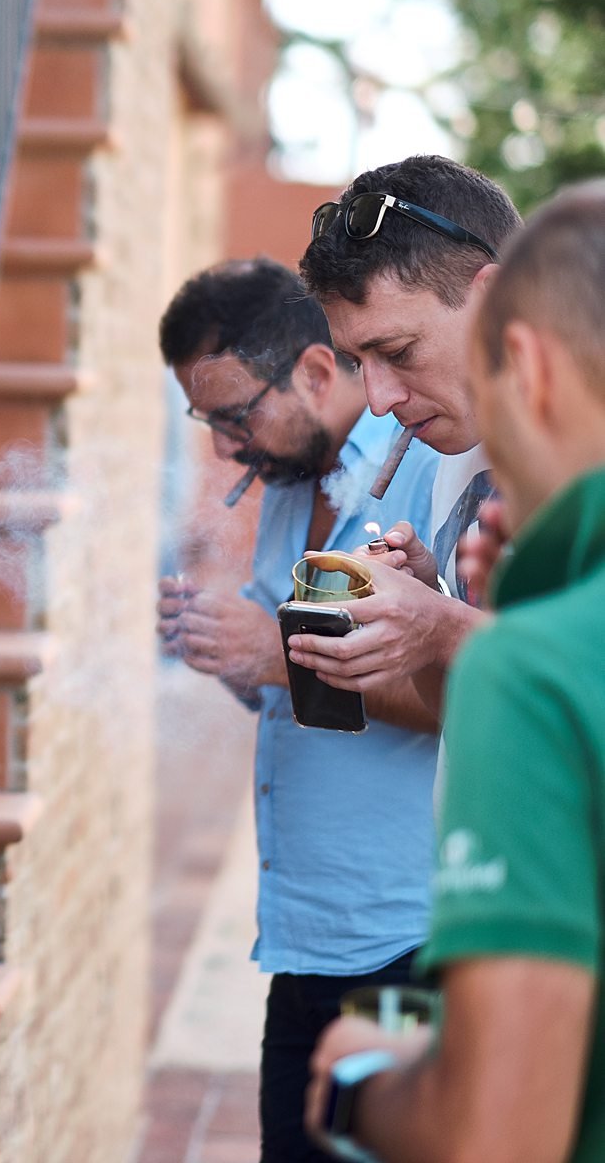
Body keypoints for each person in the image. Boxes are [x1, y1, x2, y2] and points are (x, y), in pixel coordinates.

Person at [305, 183, 605, 1161]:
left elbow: (497, 1134)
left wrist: (357, 1086)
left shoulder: (539, 667)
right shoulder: (452, 478)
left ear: (510, 338)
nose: (380, 402)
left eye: (395, 355)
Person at [156, 258, 442, 1162]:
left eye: (236, 415)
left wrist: (274, 654)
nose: (224, 450)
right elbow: (303, 696)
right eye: (207, 422)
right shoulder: (290, 483)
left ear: (318, 372)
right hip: (305, 932)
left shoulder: (425, 469)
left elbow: (464, 695)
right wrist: (228, 651)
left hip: (403, 934)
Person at [287, 155, 523, 711]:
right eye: (358, 362)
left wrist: (442, 626)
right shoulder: (461, 453)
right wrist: (427, 606)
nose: (378, 400)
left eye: (398, 352)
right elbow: (460, 717)